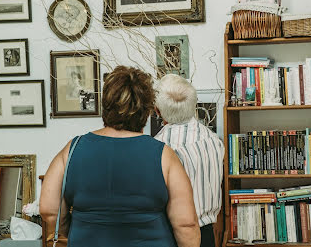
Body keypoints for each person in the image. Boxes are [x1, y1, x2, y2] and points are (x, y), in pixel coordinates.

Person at [40, 66, 201, 247]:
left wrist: (76, 230)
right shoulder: (164, 155)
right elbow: (186, 224)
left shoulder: (72, 149)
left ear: (106, 105)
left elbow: (49, 210)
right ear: (147, 111)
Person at [154, 74, 225, 247]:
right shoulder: (214, 140)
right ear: (195, 105)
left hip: (176, 236)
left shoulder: (160, 147)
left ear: (157, 110)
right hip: (209, 234)